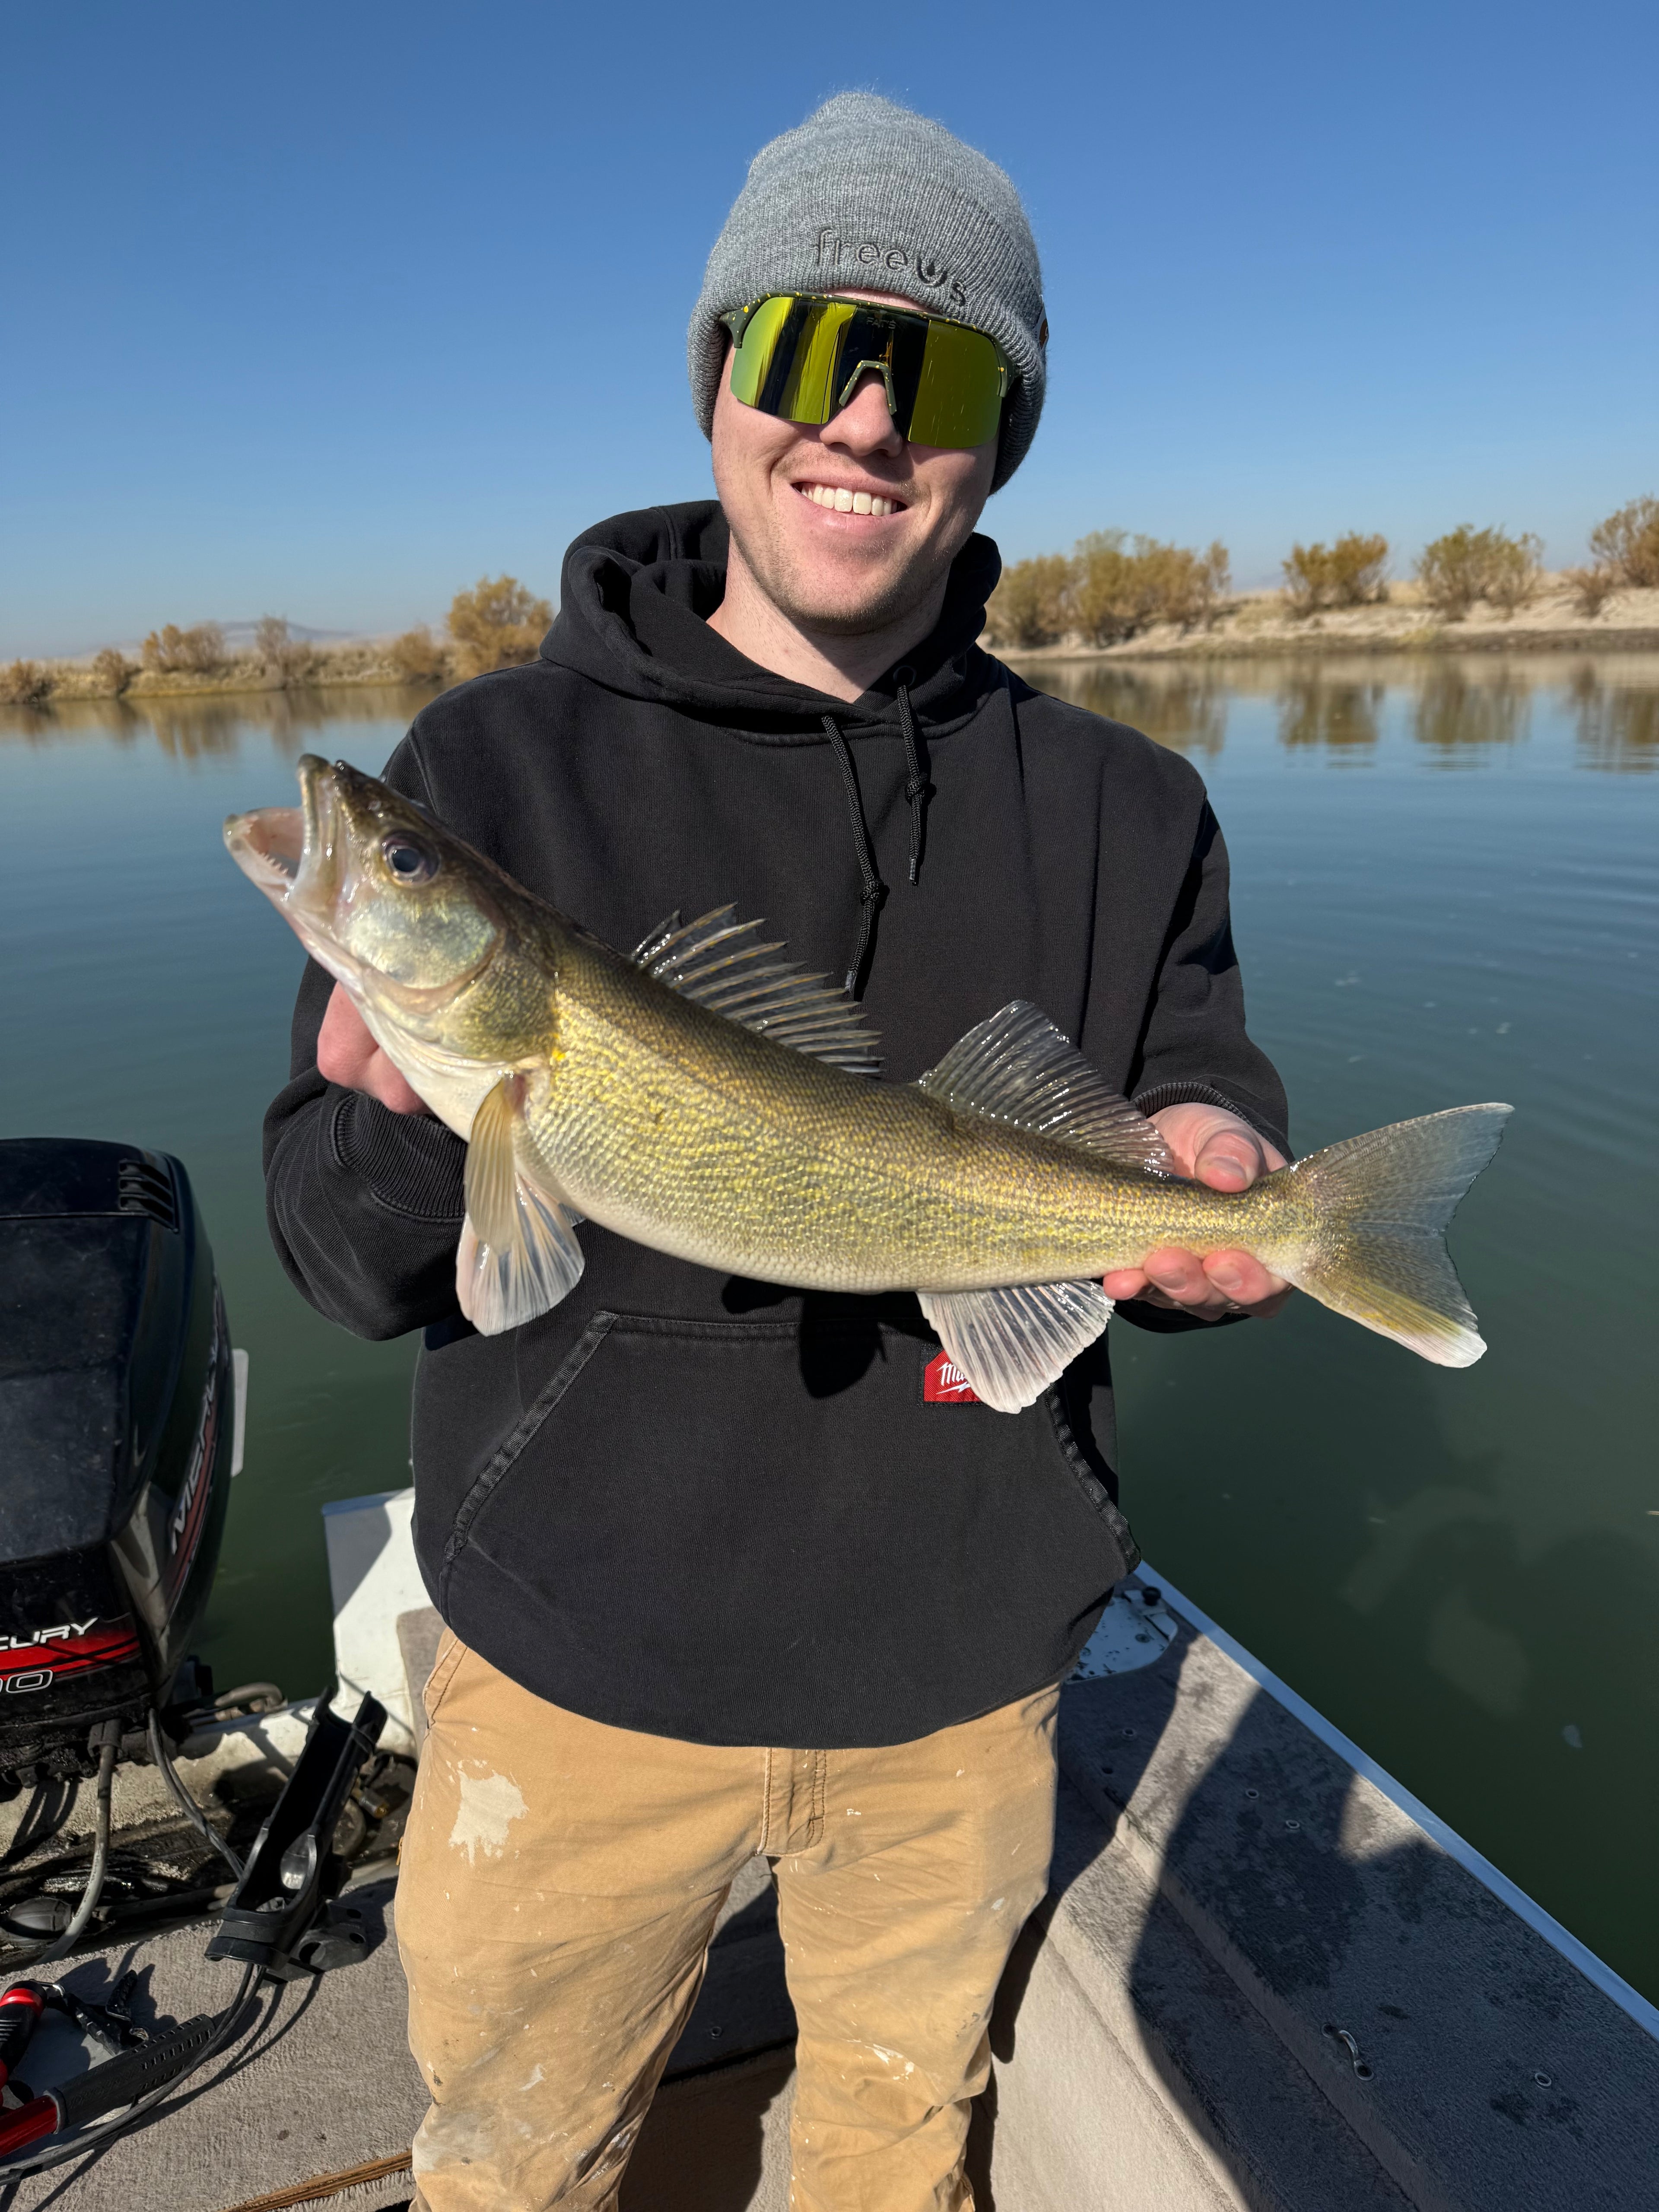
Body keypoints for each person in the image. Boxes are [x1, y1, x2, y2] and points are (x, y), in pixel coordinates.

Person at [264, 92, 1289, 2212]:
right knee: (512, 2173)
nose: (872, 420)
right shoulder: (485, 774)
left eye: (952, 372)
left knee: (890, 2166)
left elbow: (1195, 1067)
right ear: (725, 377)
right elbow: (344, 1261)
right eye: (820, 348)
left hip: (961, 1686)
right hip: (580, 1679)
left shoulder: (1127, 799)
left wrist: (1224, 1159)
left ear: (1006, 435)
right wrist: (397, 1117)